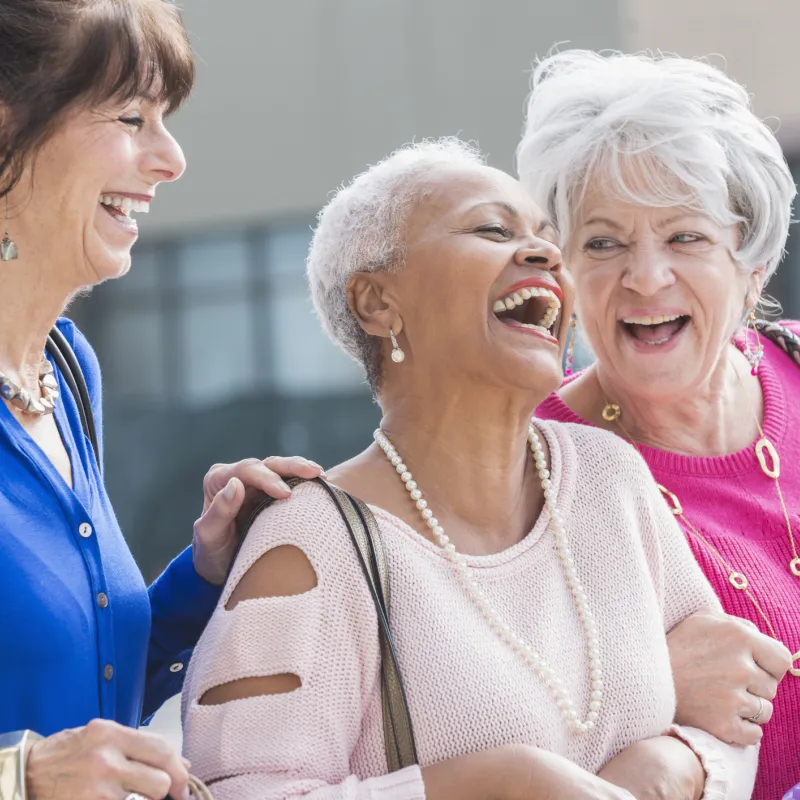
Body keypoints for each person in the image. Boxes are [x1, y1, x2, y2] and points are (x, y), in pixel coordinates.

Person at [182, 138, 758, 800]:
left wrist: (675, 764)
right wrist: (493, 784)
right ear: (377, 302)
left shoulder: (611, 479)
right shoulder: (312, 540)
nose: (545, 254)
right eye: (492, 229)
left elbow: (728, 712)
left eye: (547, 238)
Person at [0, 2, 323, 800]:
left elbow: (85, 703)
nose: (171, 158)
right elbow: (47, 757)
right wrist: (18, 775)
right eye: (132, 116)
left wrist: (207, 574)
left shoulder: (68, 371)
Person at [517, 49, 800, 798]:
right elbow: (474, 725)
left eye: (685, 238)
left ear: (753, 263)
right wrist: (645, 684)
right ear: (562, 271)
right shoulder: (526, 468)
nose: (645, 277)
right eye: (603, 243)